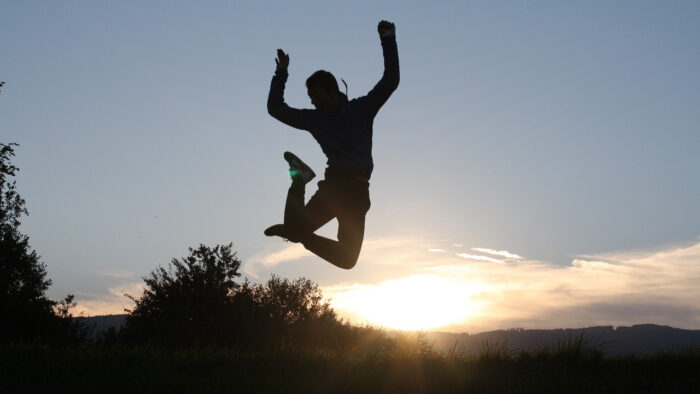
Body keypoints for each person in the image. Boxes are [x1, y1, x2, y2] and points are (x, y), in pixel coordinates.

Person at [265, 20, 399, 270]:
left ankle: (299, 231)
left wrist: (388, 38)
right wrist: (281, 73)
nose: (313, 103)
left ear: (332, 92)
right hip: (335, 187)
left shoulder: (362, 109)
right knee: (295, 231)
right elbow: (275, 109)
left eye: (316, 97)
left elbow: (390, 80)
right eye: (310, 98)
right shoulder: (314, 119)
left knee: (347, 259)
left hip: (358, 193)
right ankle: (300, 179)